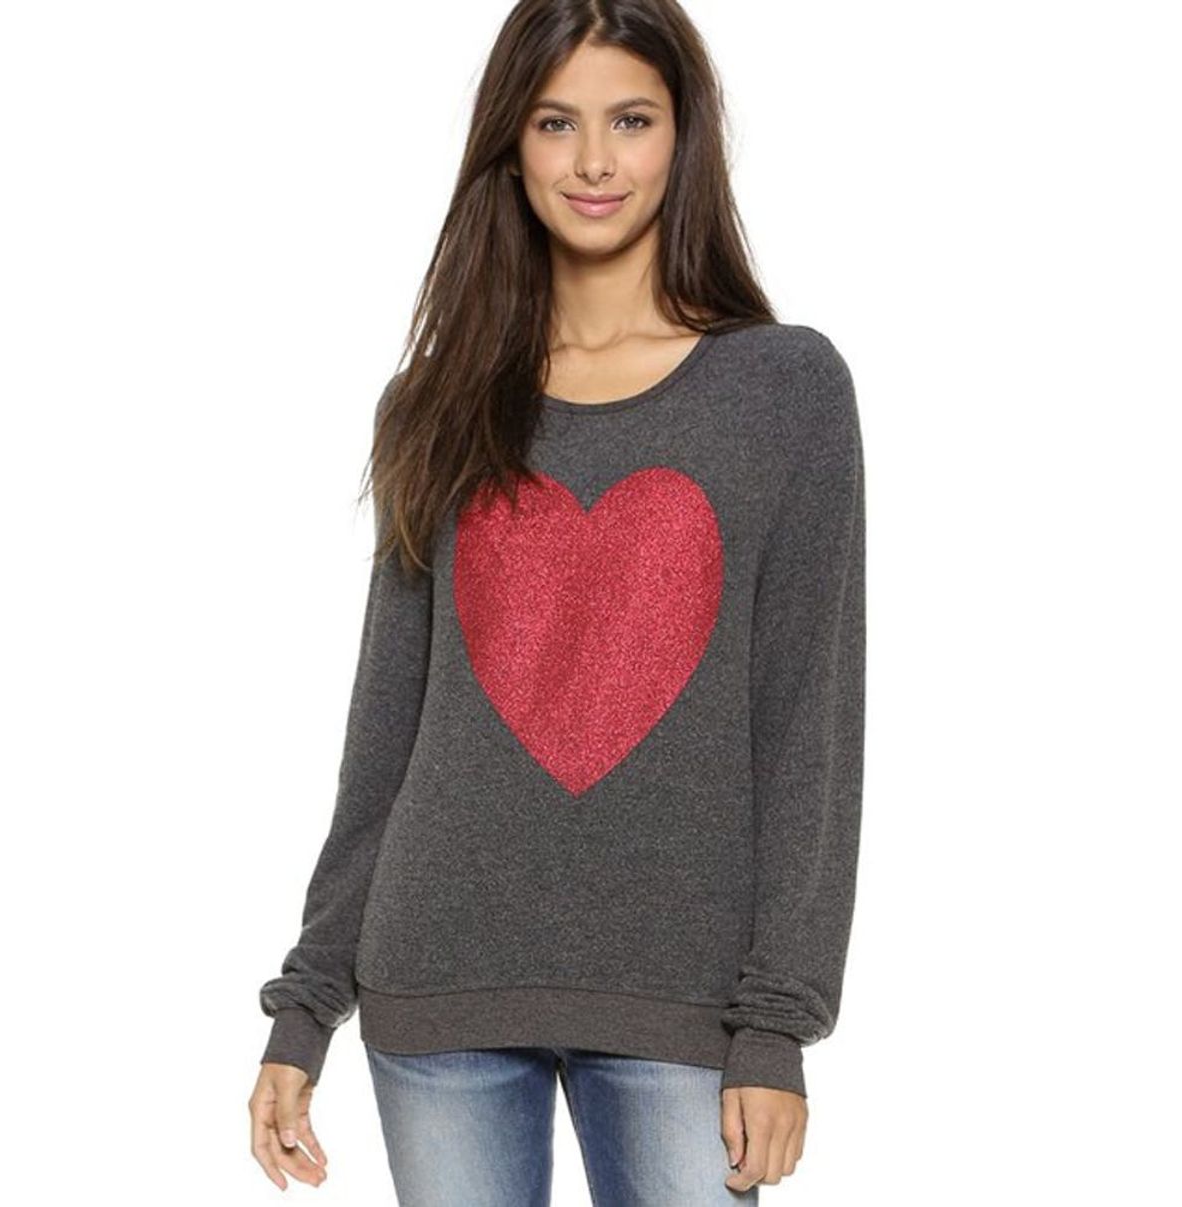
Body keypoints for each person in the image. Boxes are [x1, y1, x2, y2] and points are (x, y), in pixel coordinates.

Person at [247, 1, 866, 1202]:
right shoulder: (435, 400)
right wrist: (306, 999)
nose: (592, 161)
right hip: (439, 976)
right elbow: (387, 726)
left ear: (684, 138)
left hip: (685, 999)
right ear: (511, 145)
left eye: (630, 120)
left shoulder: (785, 389)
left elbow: (809, 728)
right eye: (554, 122)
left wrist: (777, 1021)